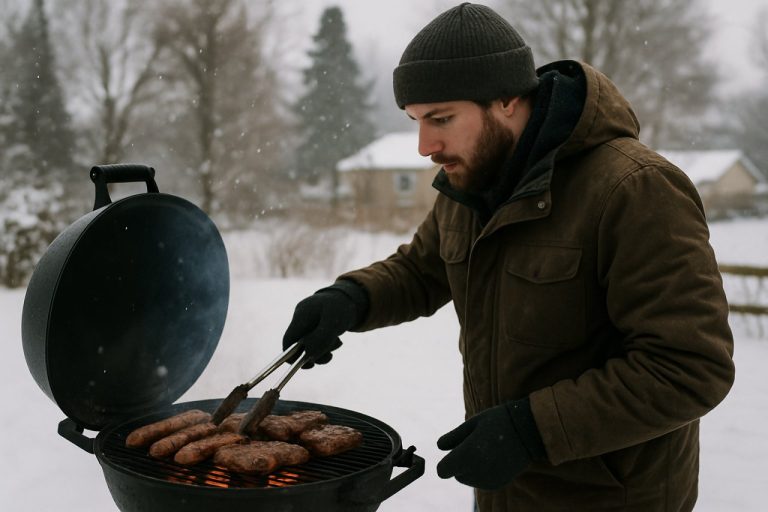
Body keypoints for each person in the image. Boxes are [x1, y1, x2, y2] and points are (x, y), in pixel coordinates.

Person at [281, 3, 735, 511]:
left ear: (507, 101)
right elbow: (422, 267)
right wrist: (352, 298)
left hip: (610, 498)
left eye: (441, 119)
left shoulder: (634, 189)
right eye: (415, 120)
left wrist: (531, 429)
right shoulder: (474, 180)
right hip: (506, 490)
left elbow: (689, 367)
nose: (425, 145)